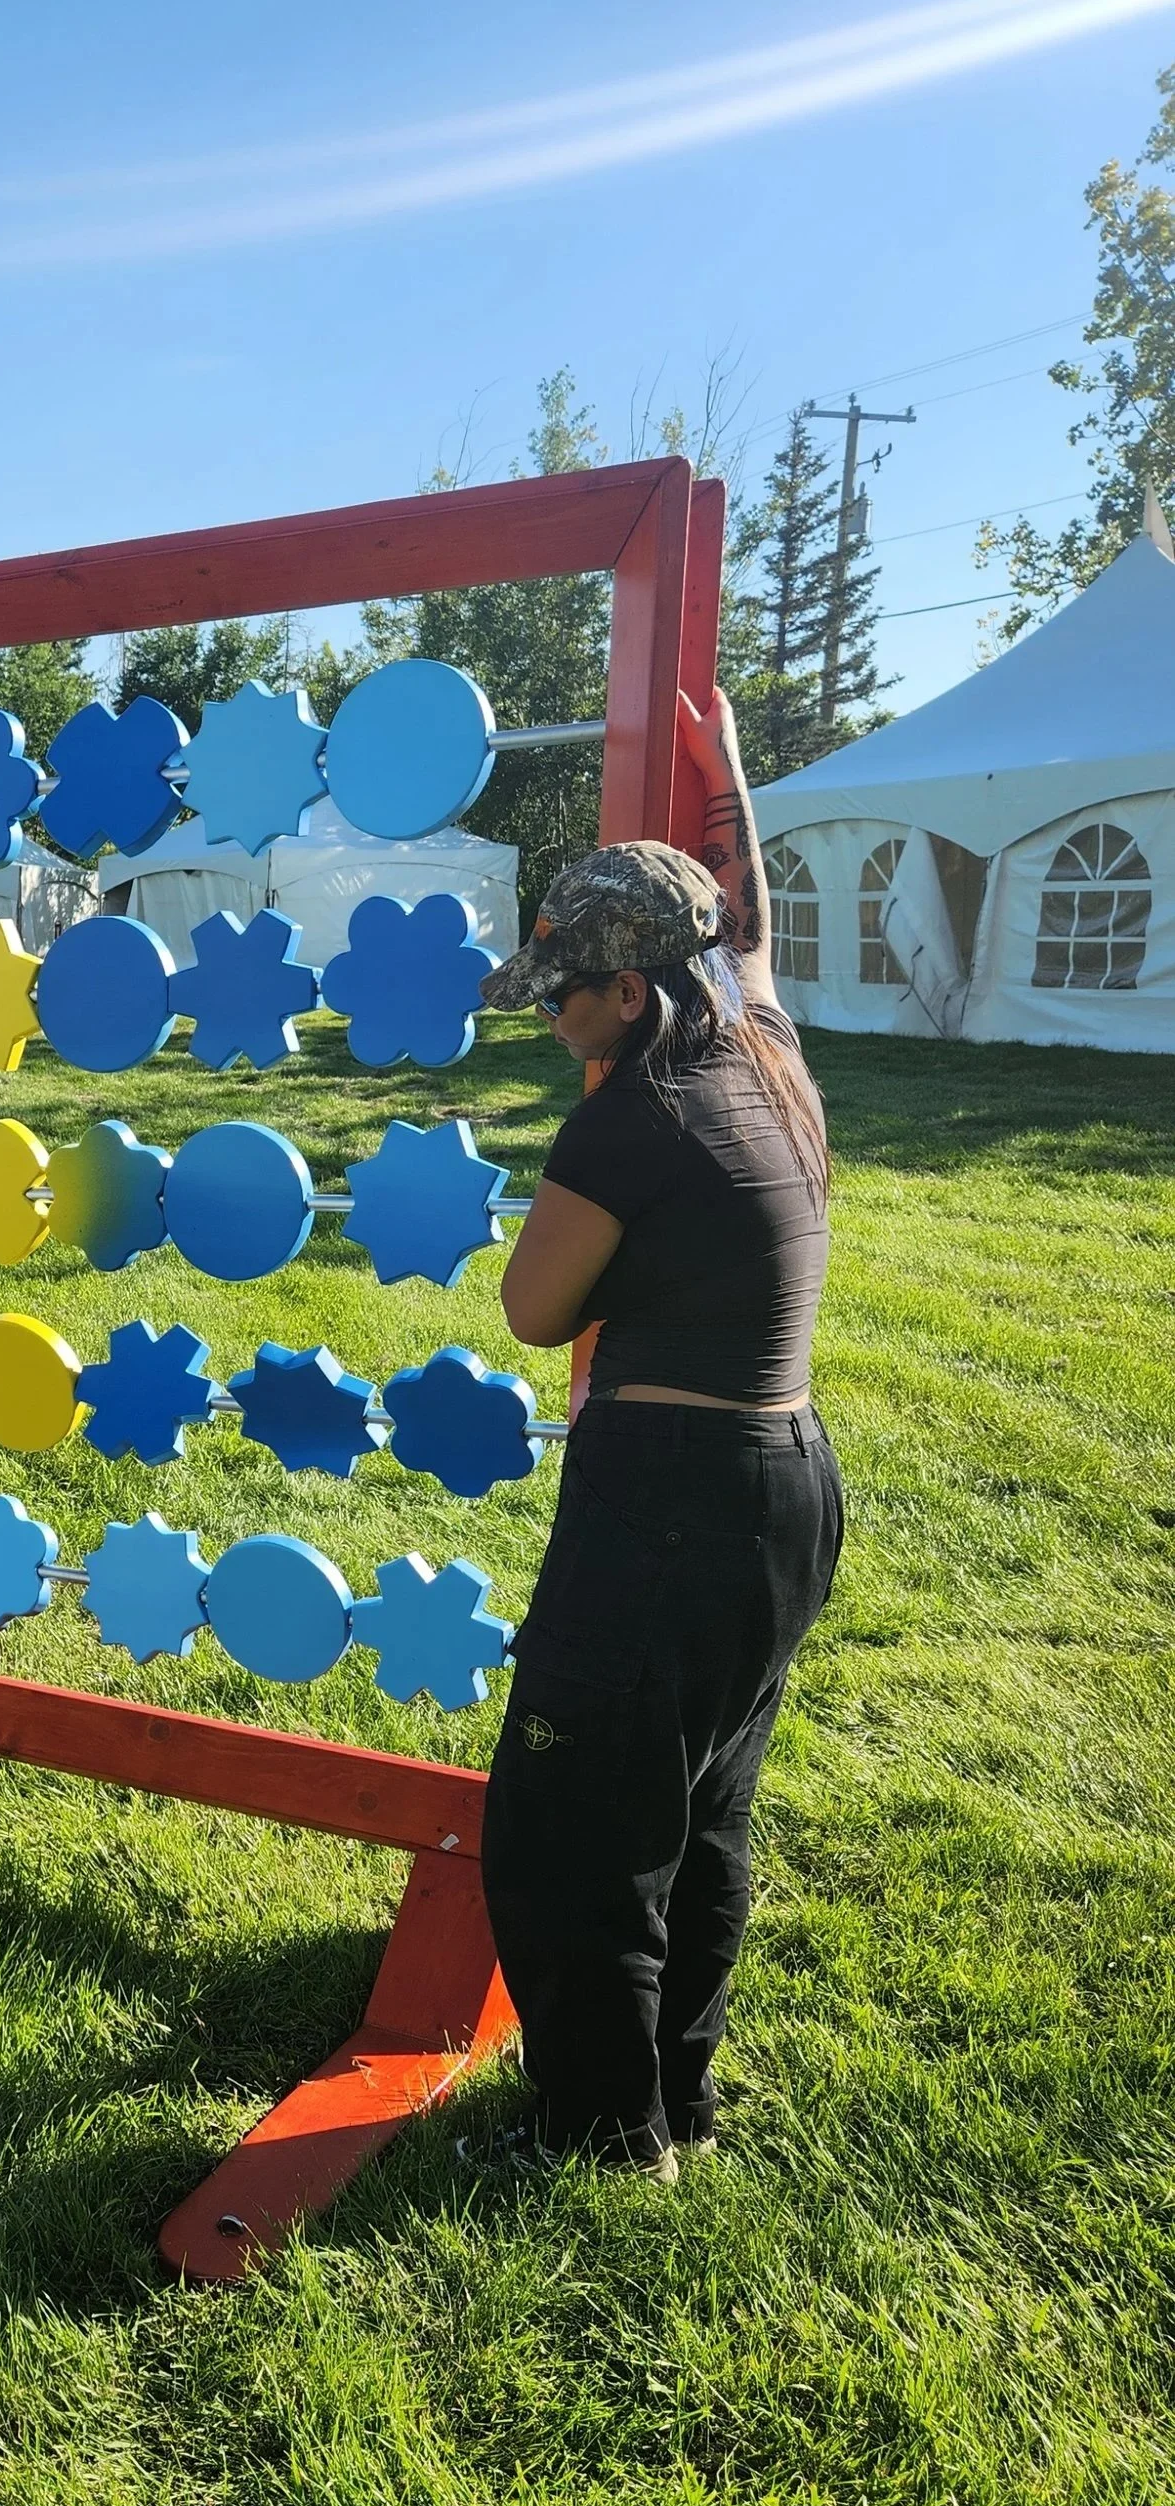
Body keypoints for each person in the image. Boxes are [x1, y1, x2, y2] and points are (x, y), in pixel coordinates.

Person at [471, 688, 840, 2178]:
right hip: (787, 1491)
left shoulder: (632, 1116)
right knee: (699, 1809)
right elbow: (745, 916)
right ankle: (671, 2100)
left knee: (571, 1828)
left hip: (668, 1509)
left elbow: (533, 1311)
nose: (554, 1019)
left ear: (631, 993)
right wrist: (727, 773)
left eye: (565, 994)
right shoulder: (763, 1044)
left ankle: (596, 2140)